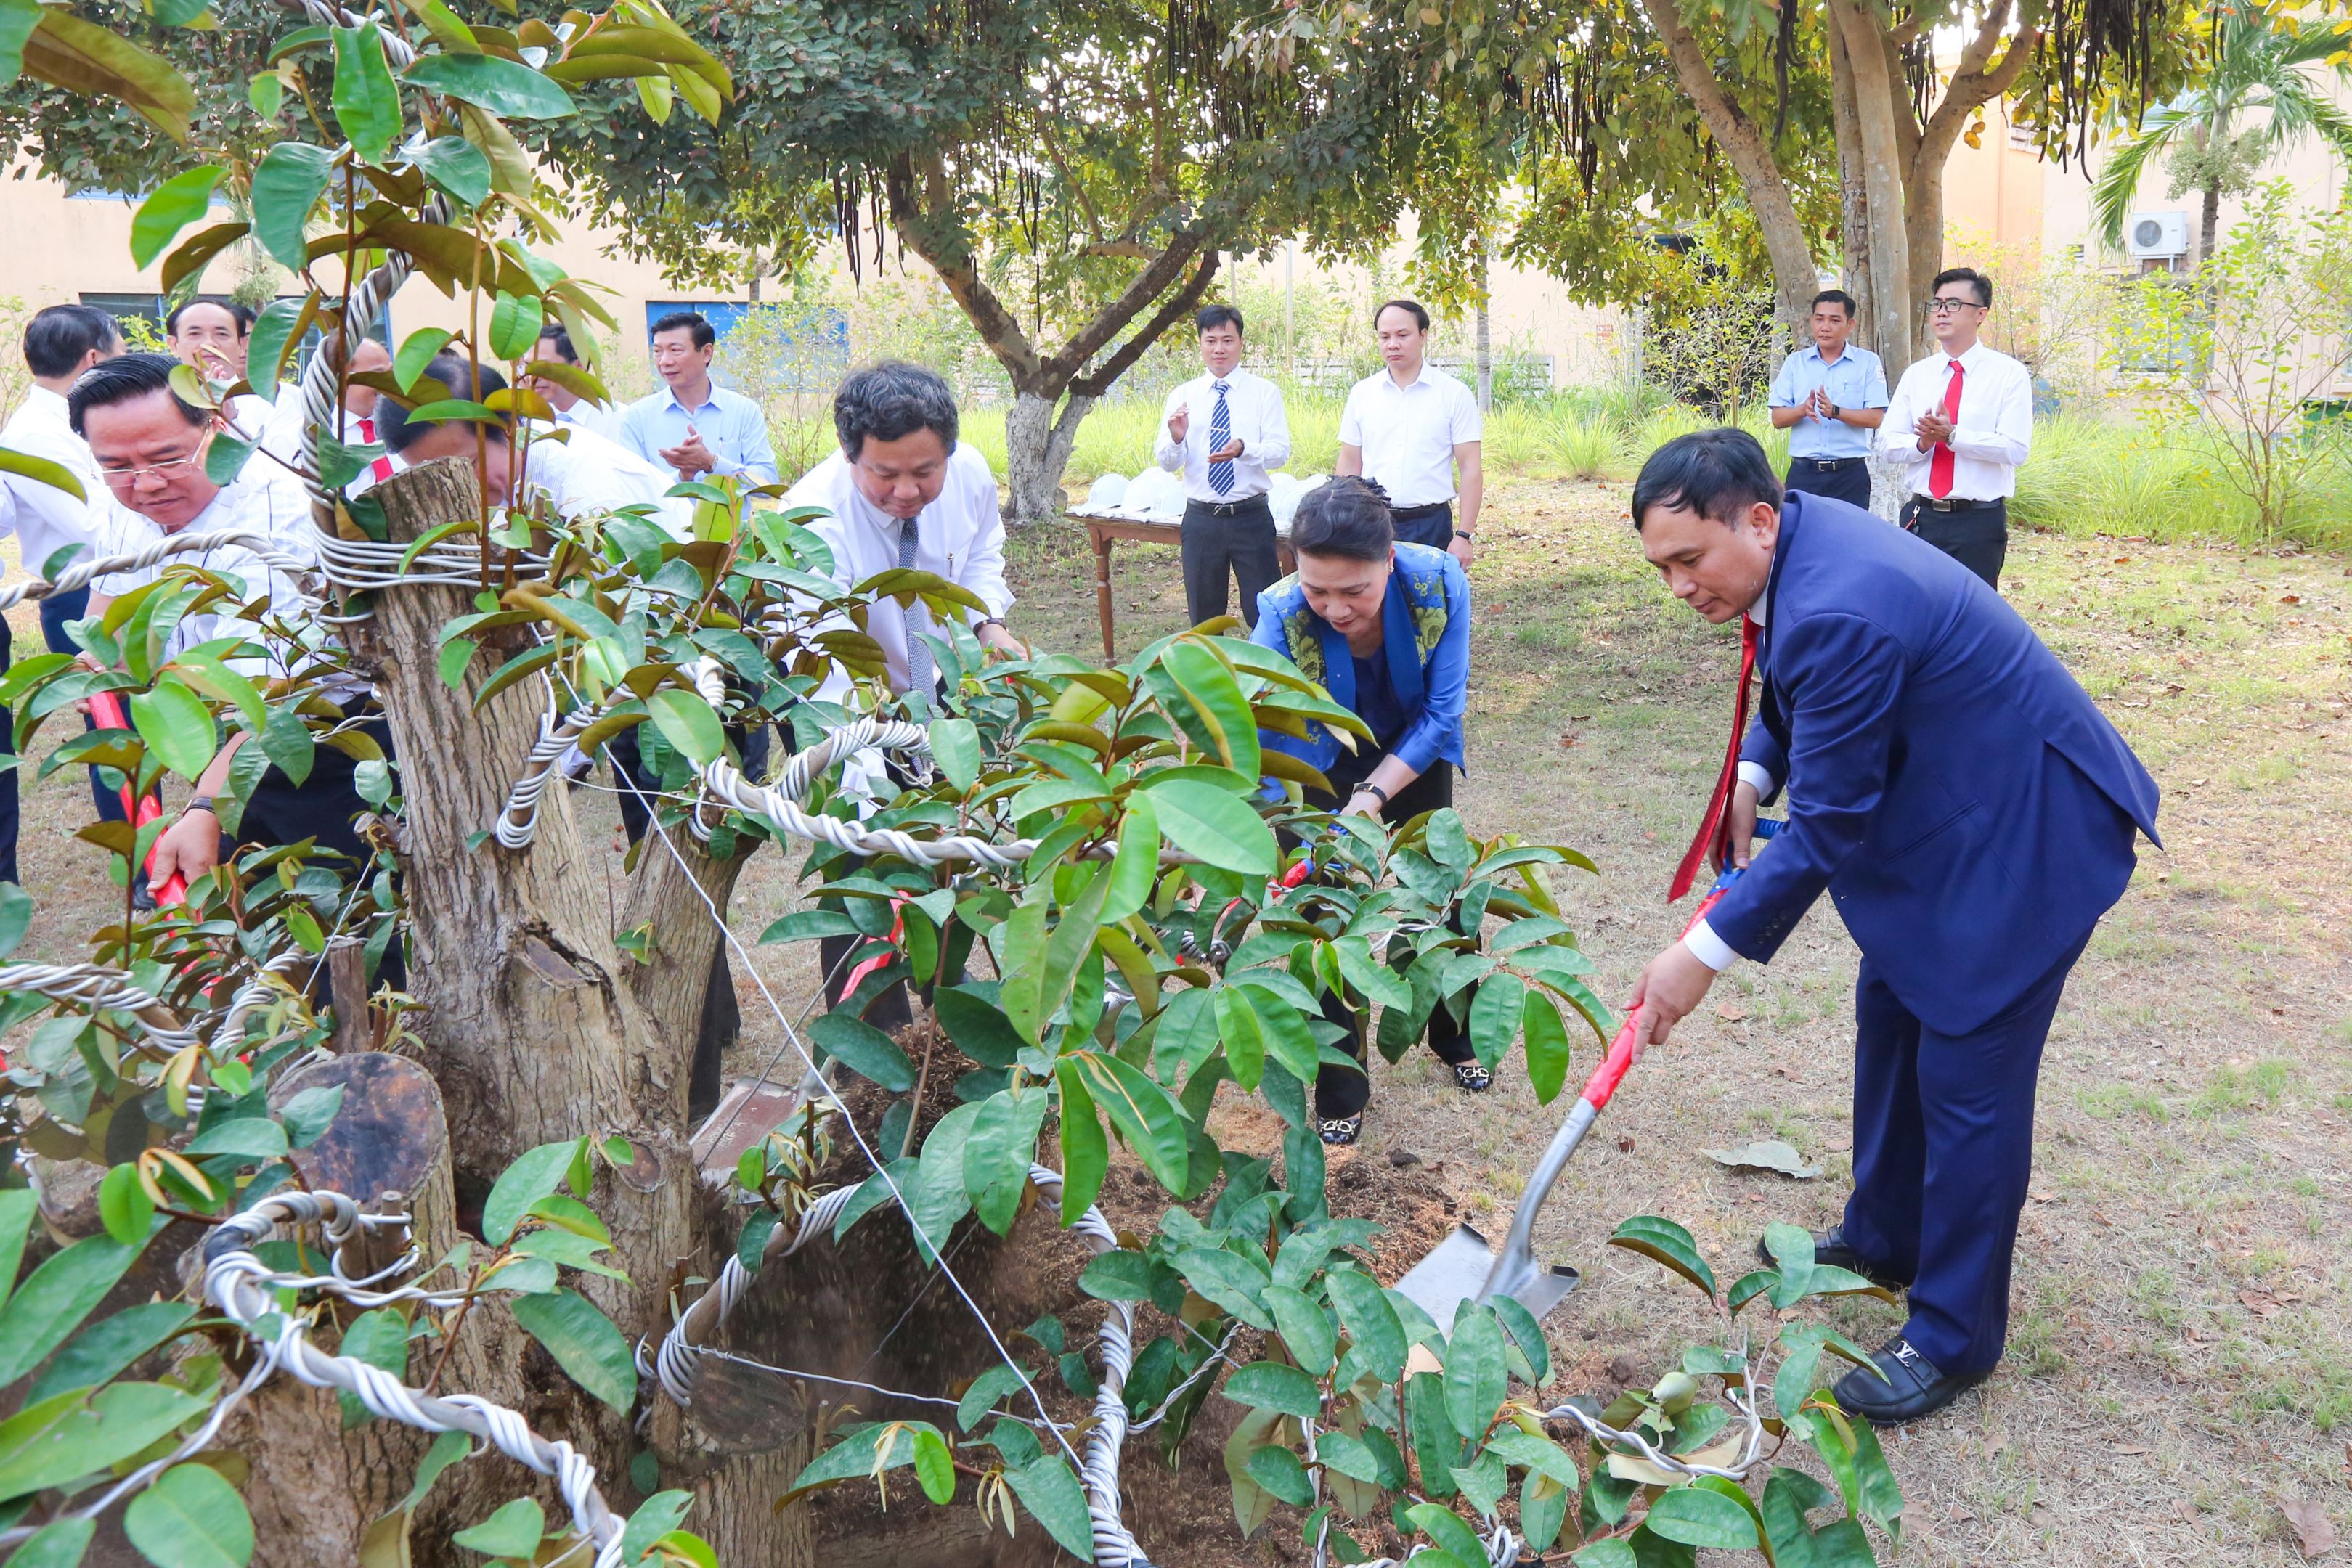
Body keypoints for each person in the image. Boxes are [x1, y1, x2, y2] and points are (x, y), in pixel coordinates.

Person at [1621, 428, 2159, 1424]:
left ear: (1757, 519)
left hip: (2020, 840)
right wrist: (1751, 768)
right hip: (1955, 818)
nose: (1677, 588)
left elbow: (1827, 823)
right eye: (1659, 568)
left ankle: (1952, 1335)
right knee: (1891, 1012)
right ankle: (1882, 1234)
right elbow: (1797, 687)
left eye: (1687, 562)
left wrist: (1700, 955)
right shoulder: (1806, 543)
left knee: (1967, 1084)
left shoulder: (1836, 601)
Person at [70, 356, 386, 902]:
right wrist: (99, 657)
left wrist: (204, 806)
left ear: (216, 426)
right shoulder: (131, 500)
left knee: (346, 919)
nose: (145, 484)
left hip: (330, 741)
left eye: (166, 457)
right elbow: (109, 606)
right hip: (226, 741)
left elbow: (269, 695)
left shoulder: (275, 514)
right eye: (116, 465)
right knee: (256, 927)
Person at [784, 361, 1022, 1021]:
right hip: (843, 702)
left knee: (951, 847)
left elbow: (981, 553)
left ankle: (953, 1017)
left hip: (939, 689)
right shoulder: (810, 520)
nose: (907, 492)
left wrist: (985, 620)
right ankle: (873, 1045)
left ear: (947, 449)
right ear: (849, 454)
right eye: (884, 475)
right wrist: (864, 788)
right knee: (860, 869)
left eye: (924, 472)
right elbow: (819, 662)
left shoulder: (969, 474)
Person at [1247, 476, 1478, 1147]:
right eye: (1317, 589)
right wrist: (1266, 835)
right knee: (1327, 918)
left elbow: (1442, 713)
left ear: (1389, 560)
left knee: (1438, 894)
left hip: (1414, 750)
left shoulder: (1437, 584)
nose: (1333, 608)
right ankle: (1341, 1083)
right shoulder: (1281, 611)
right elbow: (1257, 730)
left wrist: (1376, 796)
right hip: (1318, 760)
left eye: (1354, 591)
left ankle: (1455, 1037)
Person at [2, 304, 126, 846]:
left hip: (117, 584)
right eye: (122, 355)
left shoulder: (68, 418)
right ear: (94, 358)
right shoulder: (36, 435)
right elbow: (95, 526)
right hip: (84, 599)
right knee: (113, 730)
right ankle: (141, 862)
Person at [1878, 267, 2033, 589]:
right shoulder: (1918, 374)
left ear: (1981, 314)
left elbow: (2015, 449)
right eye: (1936, 304)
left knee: (1971, 618)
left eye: (1954, 304)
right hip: (1922, 516)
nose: (1942, 312)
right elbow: (1887, 444)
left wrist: (1953, 436)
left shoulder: (2008, 374)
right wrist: (1922, 443)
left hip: (1977, 521)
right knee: (1918, 611)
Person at [1155, 304, 1291, 628]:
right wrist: (1177, 439)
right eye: (1211, 340)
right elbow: (1166, 462)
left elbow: (1280, 452)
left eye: (1228, 340)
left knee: (1264, 612)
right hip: (1202, 520)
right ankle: (1208, 677)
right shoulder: (1183, 395)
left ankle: (1266, 675)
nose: (1219, 349)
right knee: (1204, 615)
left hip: (1251, 518)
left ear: (1241, 343)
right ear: (1200, 344)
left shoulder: (1264, 393)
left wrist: (1244, 449)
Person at [1334, 300, 1482, 568]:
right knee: (1374, 607)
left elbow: (1471, 468)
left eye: (1403, 335)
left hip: (1431, 524)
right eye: (1385, 337)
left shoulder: (1454, 394)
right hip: (1374, 523)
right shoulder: (1362, 394)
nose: (1393, 344)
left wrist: (1464, 535)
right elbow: (1349, 461)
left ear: (1423, 335)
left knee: (1429, 607)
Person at [619, 312, 777, 487]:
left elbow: (768, 483)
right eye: (657, 351)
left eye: (676, 350)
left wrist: (713, 463)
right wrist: (682, 477)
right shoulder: (637, 417)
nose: (664, 361)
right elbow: (630, 488)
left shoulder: (743, 411)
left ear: (706, 353)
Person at [1768, 290, 1887, 512]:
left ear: (1850, 325)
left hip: (1849, 475)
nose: (1825, 327)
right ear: (1812, 321)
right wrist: (1803, 410)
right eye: (1819, 319)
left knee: (1849, 541)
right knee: (1801, 541)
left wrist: (1836, 412)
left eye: (1834, 320)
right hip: (1804, 474)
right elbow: (1778, 418)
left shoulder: (1867, 363)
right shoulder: (1795, 363)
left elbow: (1875, 417)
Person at [521, 324, 624, 441]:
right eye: (528, 366)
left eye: (544, 367)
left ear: (579, 366)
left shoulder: (618, 420)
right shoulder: (527, 421)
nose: (533, 377)